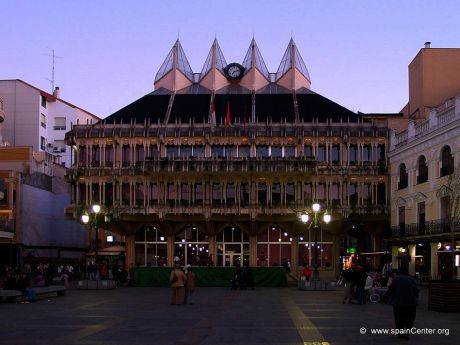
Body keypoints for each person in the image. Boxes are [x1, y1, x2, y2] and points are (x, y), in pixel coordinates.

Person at [386, 268, 419, 339]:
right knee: (410, 318)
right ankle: (407, 331)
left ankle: (400, 331)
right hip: (410, 302)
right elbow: (416, 290)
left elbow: (391, 289)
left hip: (398, 302)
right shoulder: (412, 279)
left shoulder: (396, 279)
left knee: (398, 318)